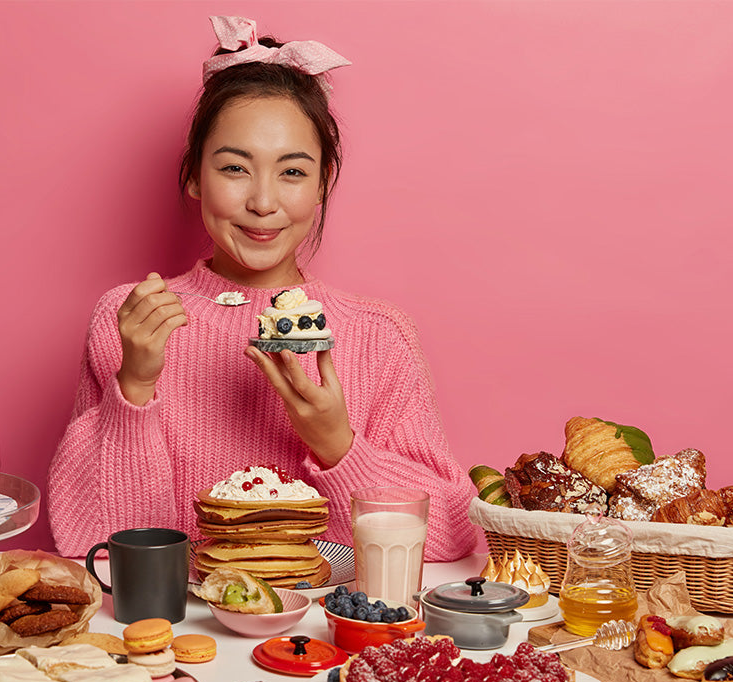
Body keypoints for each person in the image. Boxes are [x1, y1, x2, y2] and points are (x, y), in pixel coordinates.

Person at [48, 16, 476, 562]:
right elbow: (98, 545)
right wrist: (134, 387)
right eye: (235, 168)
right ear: (195, 177)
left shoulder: (378, 336)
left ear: (324, 184)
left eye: (293, 172)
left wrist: (336, 443)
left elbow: (451, 536)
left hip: (324, 641)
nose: (263, 202)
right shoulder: (131, 320)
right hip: (181, 635)